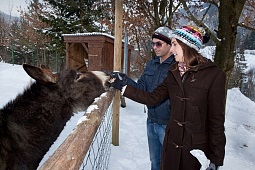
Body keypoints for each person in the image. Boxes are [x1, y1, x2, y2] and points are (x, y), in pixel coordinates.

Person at [109, 25, 226, 170]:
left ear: (186, 45)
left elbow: (216, 121)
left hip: (195, 150)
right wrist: (123, 85)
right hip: (172, 144)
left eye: (174, 44)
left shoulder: (214, 75)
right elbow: (152, 97)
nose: (172, 49)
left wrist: (216, 159)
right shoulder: (174, 71)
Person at [113, 26, 175, 170]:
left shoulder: (176, 67)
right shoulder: (151, 64)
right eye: (152, 43)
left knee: (170, 164)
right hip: (151, 122)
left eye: (159, 44)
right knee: (155, 162)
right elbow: (141, 88)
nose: (154, 47)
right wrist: (124, 80)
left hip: (168, 125)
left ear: (169, 44)